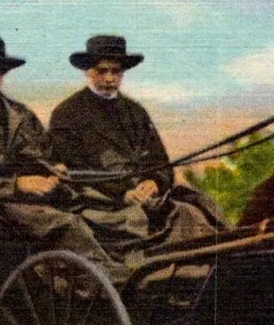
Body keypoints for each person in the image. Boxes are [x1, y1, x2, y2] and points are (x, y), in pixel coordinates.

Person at [0, 34, 129, 286]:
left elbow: (43, 153)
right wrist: (18, 184)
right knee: (58, 227)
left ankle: (94, 282)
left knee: (91, 212)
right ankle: (111, 280)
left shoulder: (20, 114)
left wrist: (53, 169)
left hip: (17, 205)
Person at [48, 35, 224, 253]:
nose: (110, 78)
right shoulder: (67, 114)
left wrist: (154, 182)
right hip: (99, 201)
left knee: (197, 208)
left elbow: (160, 161)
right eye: (102, 71)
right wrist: (124, 193)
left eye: (116, 72)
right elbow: (76, 170)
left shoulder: (135, 112)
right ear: (88, 71)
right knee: (150, 219)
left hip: (146, 197)